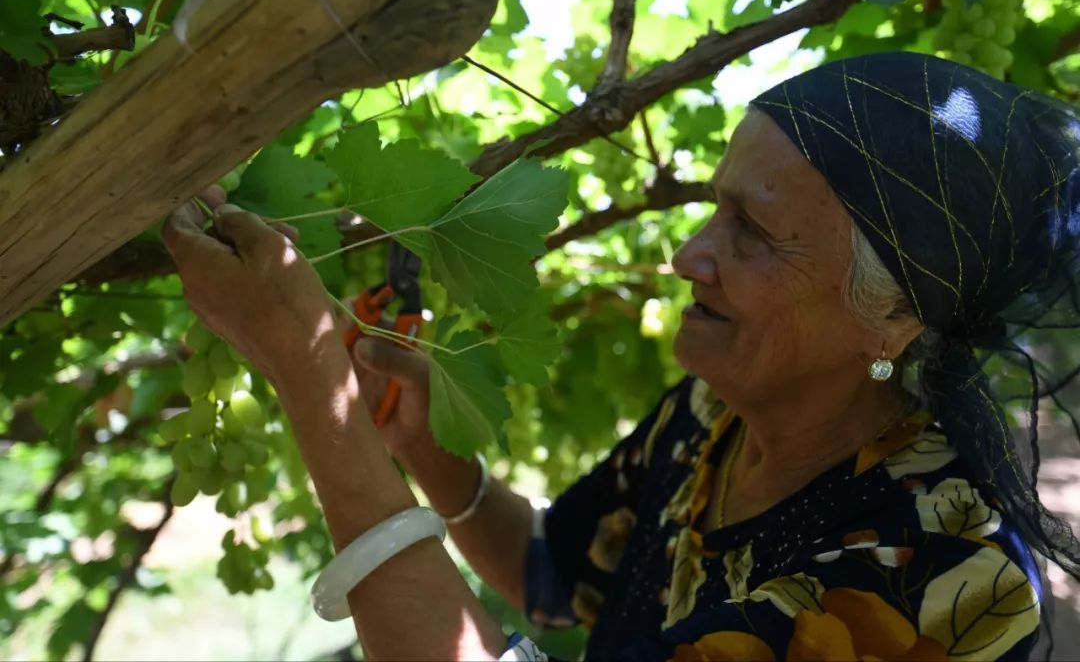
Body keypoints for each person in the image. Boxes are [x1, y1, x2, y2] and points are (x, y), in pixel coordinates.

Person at [163, 51, 1080, 661]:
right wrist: (421, 448)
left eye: (754, 231)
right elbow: (553, 573)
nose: (688, 256)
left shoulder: (937, 579)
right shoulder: (710, 418)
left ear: (893, 320)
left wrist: (310, 377)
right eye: (715, 205)